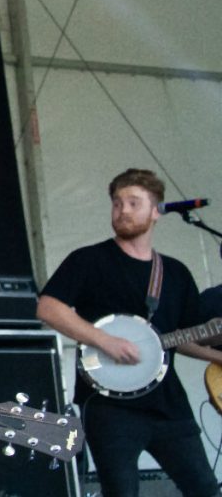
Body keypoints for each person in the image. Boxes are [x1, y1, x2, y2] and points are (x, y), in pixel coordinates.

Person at [36, 168, 222, 497]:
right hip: (110, 406)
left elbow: (182, 335)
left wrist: (215, 355)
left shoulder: (175, 273)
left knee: (205, 488)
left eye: (133, 203)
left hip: (168, 406)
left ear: (156, 212)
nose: (123, 211)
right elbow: (49, 307)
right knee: (121, 492)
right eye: (117, 203)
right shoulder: (89, 261)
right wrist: (104, 340)